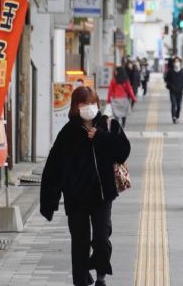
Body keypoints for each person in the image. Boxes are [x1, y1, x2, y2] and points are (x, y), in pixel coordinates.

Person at [40, 86, 131, 286]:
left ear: (97, 104)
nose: (88, 107)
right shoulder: (68, 132)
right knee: (79, 243)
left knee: (101, 238)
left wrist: (100, 137)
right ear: (75, 107)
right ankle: (80, 280)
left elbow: (123, 151)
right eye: (83, 104)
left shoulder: (108, 125)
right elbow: (54, 167)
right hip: (76, 198)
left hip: (102, 195)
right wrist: (49, 200)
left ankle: (100, 275)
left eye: (92, 103)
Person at [164, 57, 183, 124]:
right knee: (173, 104)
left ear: (180, 62)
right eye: (175, 61)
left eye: (178, 61)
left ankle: (177, 116)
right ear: (173, 63)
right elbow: (166, 79)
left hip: (180, 91)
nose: (176, 63)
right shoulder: (170, 71)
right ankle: (174, 117)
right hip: (172, 91)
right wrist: (170, 85)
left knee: (178, 105)